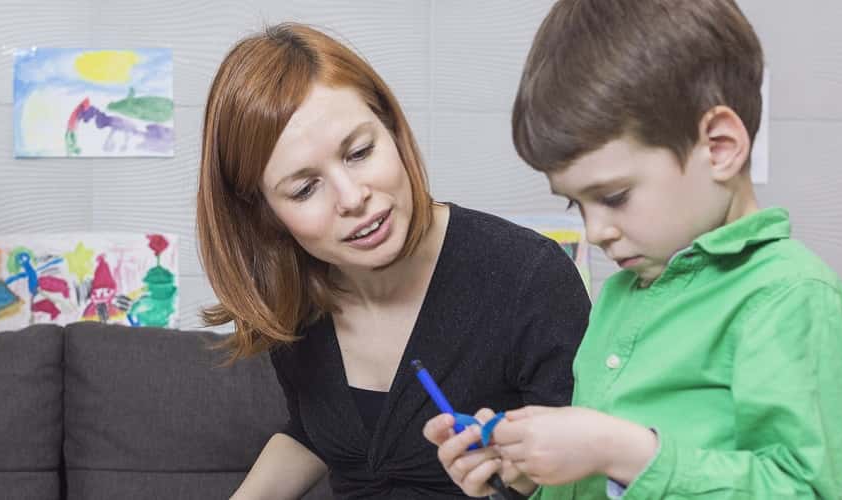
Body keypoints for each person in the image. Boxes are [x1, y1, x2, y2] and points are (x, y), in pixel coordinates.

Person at [425, 1, 842, 498]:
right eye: (578, 205)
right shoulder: (620, 296)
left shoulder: (789, 296)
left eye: (614, 197)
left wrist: (619, 451)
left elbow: (805, 489)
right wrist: (523, 476)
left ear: (719, 147)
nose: (596, 232)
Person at [195, 23, 591, 499]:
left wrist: (515, 475)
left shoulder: (530, 276)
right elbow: (314, 428)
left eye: (360, 152)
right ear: (265, 214)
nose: (352, 197)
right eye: (304, 188)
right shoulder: (294, 297)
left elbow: (584, 468)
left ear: (393, 129)